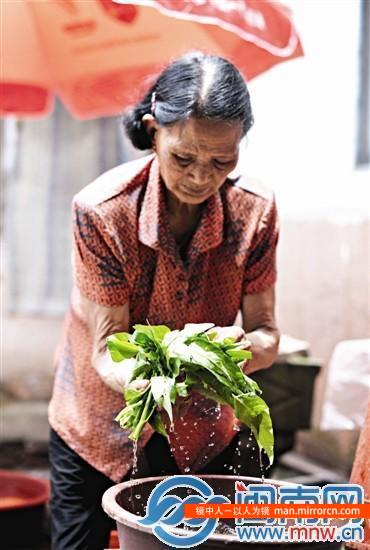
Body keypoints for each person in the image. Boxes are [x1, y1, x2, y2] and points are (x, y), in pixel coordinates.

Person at [48, 51, 280, 549]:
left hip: (201, 431)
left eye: (223, 160)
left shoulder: (255, 213)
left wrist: (230, 351)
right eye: (184, 158)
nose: (201, 177)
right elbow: (108, 346)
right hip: (95, 426)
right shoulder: (103, 212)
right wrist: (167, 367)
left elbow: (267, 334)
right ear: (154, 130)